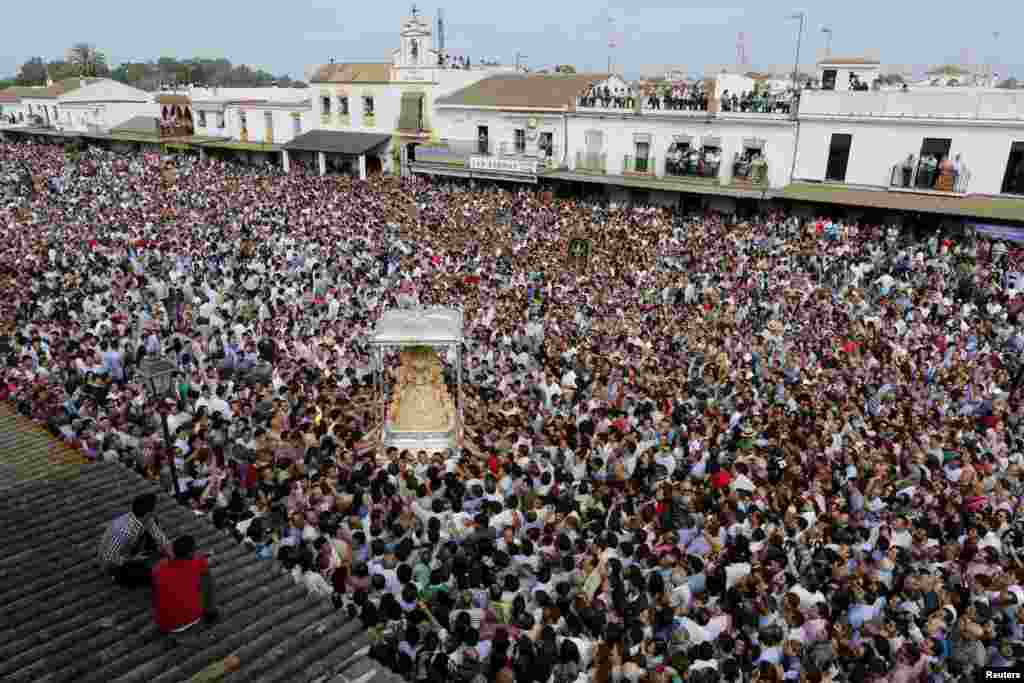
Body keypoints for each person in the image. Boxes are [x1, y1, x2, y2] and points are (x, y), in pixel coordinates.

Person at [97, 492, 173, 586]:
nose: (156, 511)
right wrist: (132, 560)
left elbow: (159, 535)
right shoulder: (123, 532)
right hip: (113, 564)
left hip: (128, 548)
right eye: (155, 509)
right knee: (149, 576)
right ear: (149, 513)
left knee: (155, 523)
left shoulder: (145, 519)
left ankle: (146, 554)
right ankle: (119, 577)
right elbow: (109, 557)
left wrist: (172, 553)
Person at [152, 534, 219, 633]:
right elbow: (206, 585)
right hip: (193, 616)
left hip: (165, 624)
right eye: (194, 549)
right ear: (190, 553)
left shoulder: (157, 569)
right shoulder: (199, 564)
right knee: (206, 580)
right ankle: (210, 611)